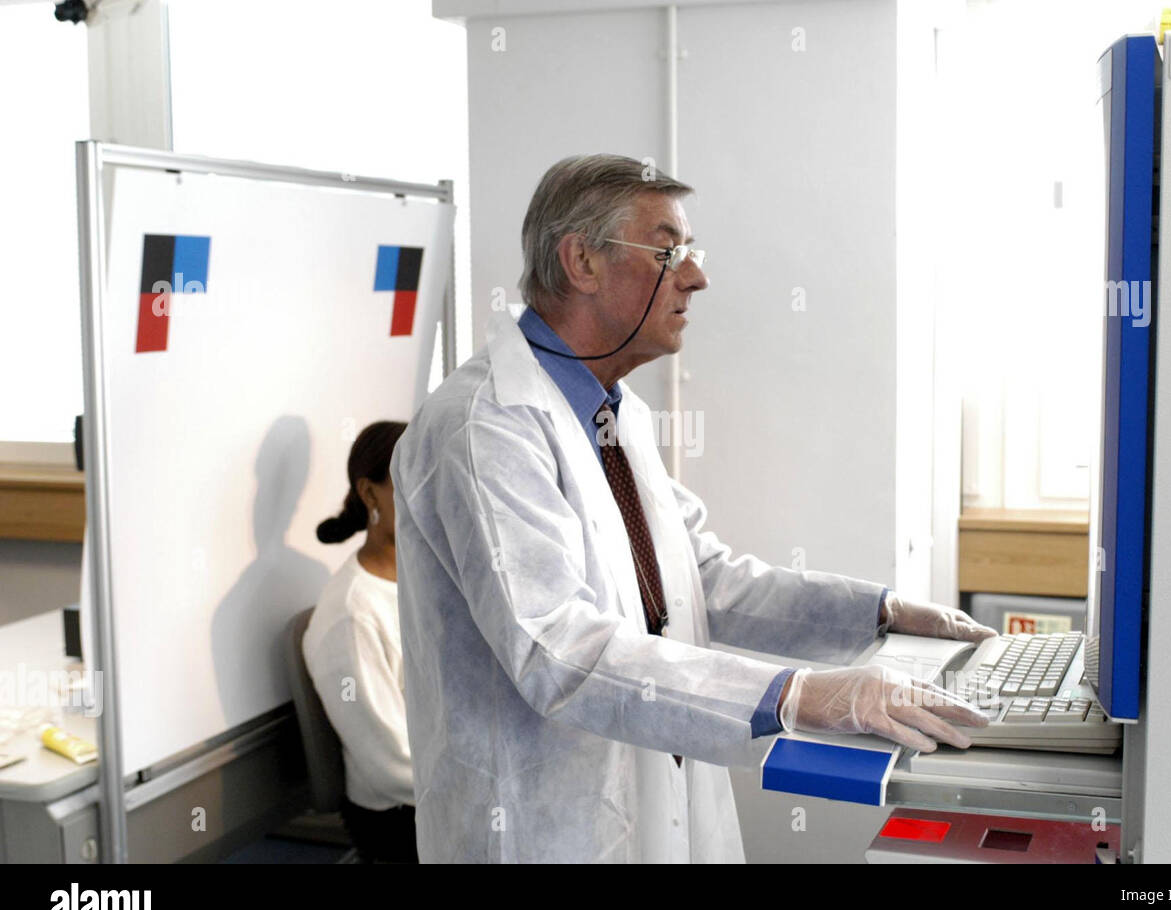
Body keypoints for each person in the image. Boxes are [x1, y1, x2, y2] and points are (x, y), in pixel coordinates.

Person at [390, 154, 996, 864]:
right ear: (581, 260)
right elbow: (557, 649)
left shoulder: (617, 415)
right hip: (536, 832)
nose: (696, 276)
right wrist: (799, 695)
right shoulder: (484, 426)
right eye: (668, 250)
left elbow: (703, 578)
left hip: (654, 807)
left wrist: (879, 612)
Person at [304, 420, 417, 863]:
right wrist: (489, 786)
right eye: (410, 480)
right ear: (370, 495)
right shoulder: (352, 614)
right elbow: (394, 765)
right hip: (400, 820)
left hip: (444, 789)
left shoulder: (424, 578)